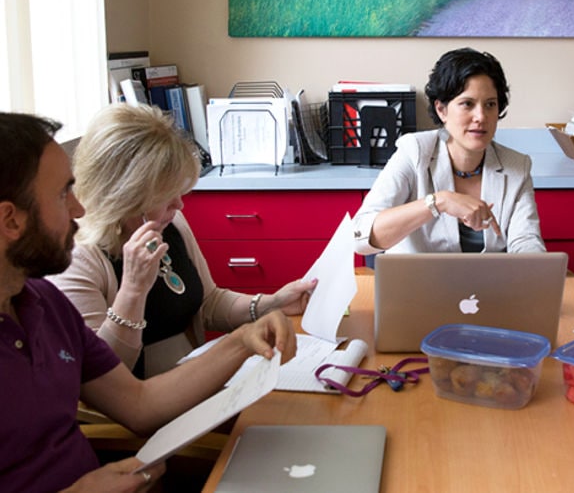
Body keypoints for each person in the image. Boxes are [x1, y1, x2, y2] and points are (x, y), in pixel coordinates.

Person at [0, 111, 297, 492]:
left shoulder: (42, 302)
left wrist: (242, 339)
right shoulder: (72, 273)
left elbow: (138, 404)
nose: (78, 208)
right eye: (62, 194)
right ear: (10, 221)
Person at [49, 104, 315, 377]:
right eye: (166, 195)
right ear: (125, 196)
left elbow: (208, 303)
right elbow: (102, 377)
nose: (179, 204)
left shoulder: (170, 223)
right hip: (143, 406)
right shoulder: (77, 260)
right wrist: (132, 291)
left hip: (194, 385)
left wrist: (271, 303)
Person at [352, 47, 545, 255]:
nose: (481, 116)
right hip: (418, 285)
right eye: (467, 104)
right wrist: (440, 201)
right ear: (441, 110)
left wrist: (534, 265)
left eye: (490, 104)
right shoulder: (414, 151)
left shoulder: (516, 166)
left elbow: (526, 240)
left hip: (489, 286)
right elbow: (361, 237)